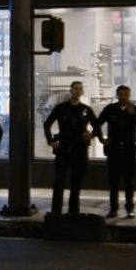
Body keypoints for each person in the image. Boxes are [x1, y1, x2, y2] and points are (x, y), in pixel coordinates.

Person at [43, 81, 98, 215]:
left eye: (80, 89)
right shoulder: (61, 108)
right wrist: (50, 141)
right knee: (59, 183)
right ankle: (56, 213)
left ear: (82, 91)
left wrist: (91, 135)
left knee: (76, 184)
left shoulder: (86, 109)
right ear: (71, 90)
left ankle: (73, 213)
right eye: (75, 88)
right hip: (64, 149)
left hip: (80, 150)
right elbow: (47, 124)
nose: (77, 91)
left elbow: (97, 126)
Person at [95, 85, 136, 219]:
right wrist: (102, 139)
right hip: (114, 151)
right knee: (113, 182)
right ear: (117, 95)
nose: (123, 96)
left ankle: (130, 209)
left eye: (126, 94)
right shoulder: (110, 109)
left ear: (129, 95)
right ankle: (113, 209)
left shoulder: (135, 109)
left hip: (129, 150)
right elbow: (97, 123)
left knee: (129, 182)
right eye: (120, 94)